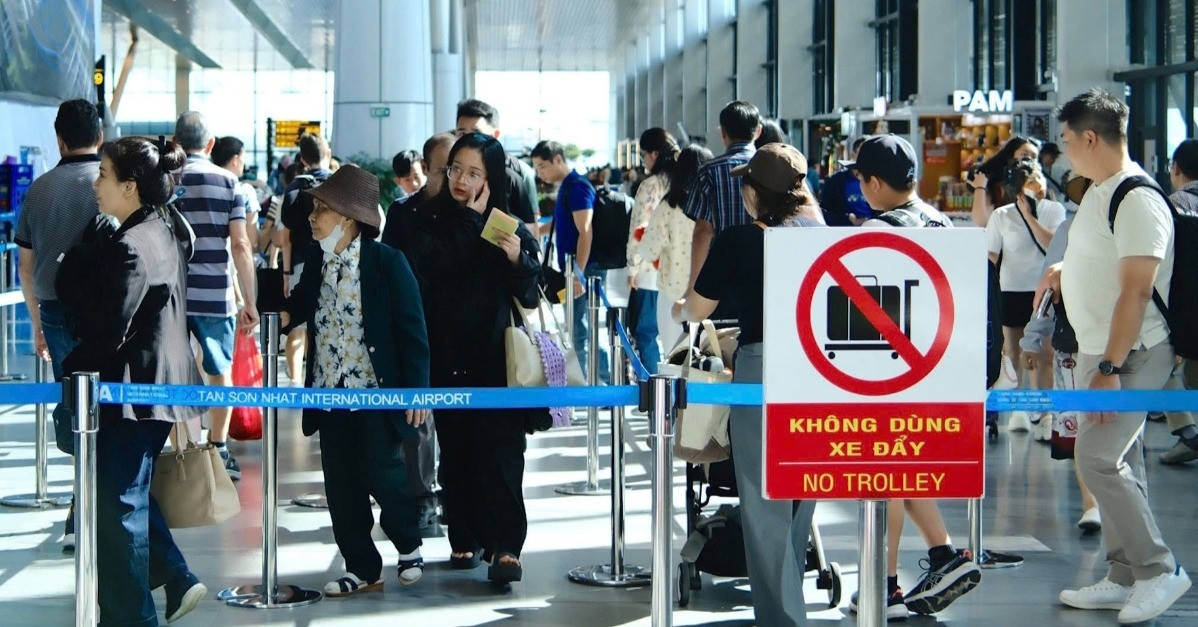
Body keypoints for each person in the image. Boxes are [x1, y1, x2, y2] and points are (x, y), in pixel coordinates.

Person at [1042, 88, 1190, 624]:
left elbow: (1136, 290)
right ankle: (1125, 572)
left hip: (1132, 353)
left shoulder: (1138, 198)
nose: (1062, 150)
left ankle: (1158, 569)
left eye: (1066, 140)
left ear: (1089, 138)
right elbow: (1103, 261)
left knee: (1098, 459)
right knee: (1123, 461)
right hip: (1098, 351)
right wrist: (1065, 273)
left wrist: (1107, 367)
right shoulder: (1101, 191)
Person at [673, 143, 823, 626]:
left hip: (764, 367)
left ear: (755, 191)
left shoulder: (739, 240)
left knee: (763, 496)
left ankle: (783, 617)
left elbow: (697, 309)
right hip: (818, 371)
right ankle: (790, 600)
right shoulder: (819, 236)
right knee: (801, 490)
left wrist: (680, 308)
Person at [59, 136, 207, 625]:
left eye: (103, 176)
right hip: (155, 387)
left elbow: (108, 334)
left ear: (129, 186)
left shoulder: (130, 245)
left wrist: (70, 369)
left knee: (119, 514)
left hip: (135, 393)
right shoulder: (159, 227)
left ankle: (132, 617)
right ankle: (156, 593)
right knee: (123, 503)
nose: (96, 185)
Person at [279, 165, 432, 596]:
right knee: (341, 485)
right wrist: (288, 313)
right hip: (329, 393)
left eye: (321, 210)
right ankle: (362, 567)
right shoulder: (318, 262)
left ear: (347, 217)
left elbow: (413, 330)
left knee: (385, 474)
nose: (312, 218)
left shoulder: (387, 263)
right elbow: (304, 301)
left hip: (375, 393)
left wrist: (417, 388)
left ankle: (408, 546)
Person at [845, 135, 980, 619]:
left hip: (891, 368)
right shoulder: (940, 220)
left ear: (876, 184)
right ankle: (944, 555)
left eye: (861, 180)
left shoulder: (879, 231)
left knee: (880, 475)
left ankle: (884, 584)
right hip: (935, 367)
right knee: (905, 467)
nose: (859, 189)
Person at [402, 133, 543, 584]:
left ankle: (507, 548)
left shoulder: (506, 225)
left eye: (473, 173)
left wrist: (520, 259)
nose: (461, 179)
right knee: (457, 450)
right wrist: (468, 220)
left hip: (495, 360)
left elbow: (529, 293)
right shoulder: (426, 221)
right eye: (455, 169)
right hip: (444, 355)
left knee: (502, 453)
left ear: (491, 179)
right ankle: (463, 533)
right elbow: (437, 269)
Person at [15, 99, 104, 552]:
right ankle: (99, 506)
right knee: (110, 407)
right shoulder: (111, 185)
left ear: (60, 140)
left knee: (75, 406)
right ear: (100, 137)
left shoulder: (40, 189)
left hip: (53, 309)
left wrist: (36, 323)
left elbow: (26, 267)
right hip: (109, 315)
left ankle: (79, 502)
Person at [173, 112, 259, 479]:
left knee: (176, 373)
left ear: (176, 143)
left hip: (172, 296)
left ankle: (183, 450)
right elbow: (240, 244)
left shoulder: (165, 179)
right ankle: (218, 447)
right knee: (219, 370)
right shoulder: (230, 183)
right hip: (215, 295)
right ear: (210, 145)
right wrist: (250, 301)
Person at [381, 132, 457, 536]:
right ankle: (422, 501)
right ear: (425, 169)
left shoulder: (468, 213)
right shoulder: (402, 214)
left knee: (457, 423)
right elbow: (388, 269)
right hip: (414, 332)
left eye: (459, 169)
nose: (454, 176)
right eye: (446, 168)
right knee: (418, 420)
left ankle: (456, 502)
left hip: (458, 335)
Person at [985, 157, 1068, 434]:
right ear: (1019, 190)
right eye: (1032, 182)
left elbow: (1054, 246)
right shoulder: (1001, 215)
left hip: (1043, 292)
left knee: (1044, 353)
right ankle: (1017, 409)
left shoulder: (1053, 210)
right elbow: (992, 256)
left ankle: (1042, 412)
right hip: (1010, 291)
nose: (1040, 186)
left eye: (1041, 179)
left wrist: (1031, 217)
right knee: (1014, 352)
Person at [532, 139, 609, 382]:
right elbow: (561, 226)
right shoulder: (568, 186)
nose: (539, 172)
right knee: (578, 327)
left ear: (558, 160)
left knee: (580, 329)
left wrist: (579, 274)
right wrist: (533, 231)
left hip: (583, 268)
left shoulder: (577, 187)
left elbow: (585, 231)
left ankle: (593, 385)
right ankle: (599, 382)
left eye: (542, 166)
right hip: (573, 268)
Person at [683, 100, 761, 321]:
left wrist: (693, 289)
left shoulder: (709, 171)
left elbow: (703, 232)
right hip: (765, 275)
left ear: (723, 132)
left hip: (722, 277)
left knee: (719, 346)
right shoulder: (772, 168)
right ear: (758, 131)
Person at [637, 144, 711, 357]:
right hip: (711, 296)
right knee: (710, 362)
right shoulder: (714, 205)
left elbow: (648, 251)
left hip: (673, 296)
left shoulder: (669, 206)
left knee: (674, 359)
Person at [279, 133, 334, 384]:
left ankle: (295, 381)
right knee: (325, 323)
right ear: (328, 154)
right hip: (334, 262)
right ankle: (321, 378)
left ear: (302, 159)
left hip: (302, 262)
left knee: (298, 325)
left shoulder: (294, 187)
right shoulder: (336, 184)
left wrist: (287, 274)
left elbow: (285, 238)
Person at [625, 128, 679, 374]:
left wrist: (632, 267)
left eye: (644, 154)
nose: (643, 160)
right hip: (682, 268)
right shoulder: (684, 181)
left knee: (645, 331)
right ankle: (677, 394)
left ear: (655, 154)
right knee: (676, 335)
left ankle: (655, 392)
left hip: (650, 269)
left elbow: (639, 226)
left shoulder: (650, 186)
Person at [1159, 138, 1198, 465]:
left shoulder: (1172, 205)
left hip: (1183, 310)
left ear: (1176, 168)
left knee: (1165, 368)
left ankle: (1188, 435)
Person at [454, 98, 538, 231]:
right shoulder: (450, 173)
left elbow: (531, 226)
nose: (468, 140)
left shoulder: (516, 173)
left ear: (495, 135)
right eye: (462, 133)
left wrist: (517, 252)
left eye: (477, 133)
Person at [969, 135, 1040, 228]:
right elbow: (982, 222)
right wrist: (980, 188)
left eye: (1034, 157)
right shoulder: (997, 188)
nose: (1029, 160)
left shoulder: (1041, 187)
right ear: (1010, 156)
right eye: (1024, 154)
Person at [820, 137, 873, 226]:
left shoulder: (879, 181)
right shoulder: (835, 181)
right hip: (843, 231)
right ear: (853, 155)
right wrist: (847, 218)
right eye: (863, 154)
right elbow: (823, 212)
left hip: (873, 230)